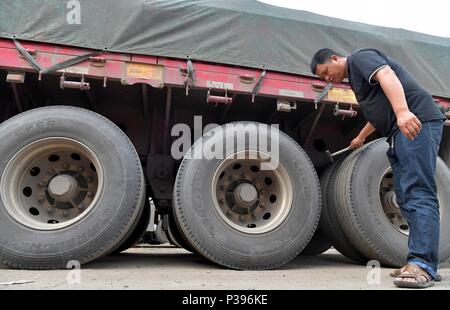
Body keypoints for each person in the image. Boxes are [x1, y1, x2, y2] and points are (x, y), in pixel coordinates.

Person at [310, 48, 446, 288]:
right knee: (405, 196)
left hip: (416, 122)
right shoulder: (355, 78)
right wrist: (360, 137)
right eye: (322, 79)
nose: (326, 79)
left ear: (335, 59)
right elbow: (377, 112)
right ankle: (422, 261)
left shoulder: (360, 58)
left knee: (418, 192)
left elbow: (387, 75)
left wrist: (403, 112)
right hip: (398, 131)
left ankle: (422, 264)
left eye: (325, 72)